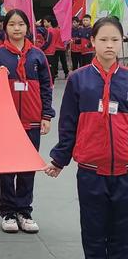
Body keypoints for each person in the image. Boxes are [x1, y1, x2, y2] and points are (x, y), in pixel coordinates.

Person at [45, 17, 128, 258]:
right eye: (103, 39)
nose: (109, 45)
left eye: (114, 39)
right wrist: (59, 159)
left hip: (125, 171)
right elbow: (68, 123)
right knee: (93, 232)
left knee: (122, 234)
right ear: (92, 41)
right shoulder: (78, 79)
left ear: (121, 42)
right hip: (91, 172)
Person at [0, 9, 54, 234]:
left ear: (28, 27)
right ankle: (7, 212)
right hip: (6, 122)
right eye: (12, 24)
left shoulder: (37, 55)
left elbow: (46, 86)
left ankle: (24, 211)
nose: (17, 28)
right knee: (6, 167)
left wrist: (46, 116)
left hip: (32, 121)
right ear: (5, 28)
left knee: (28, 167)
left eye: (21, 24)